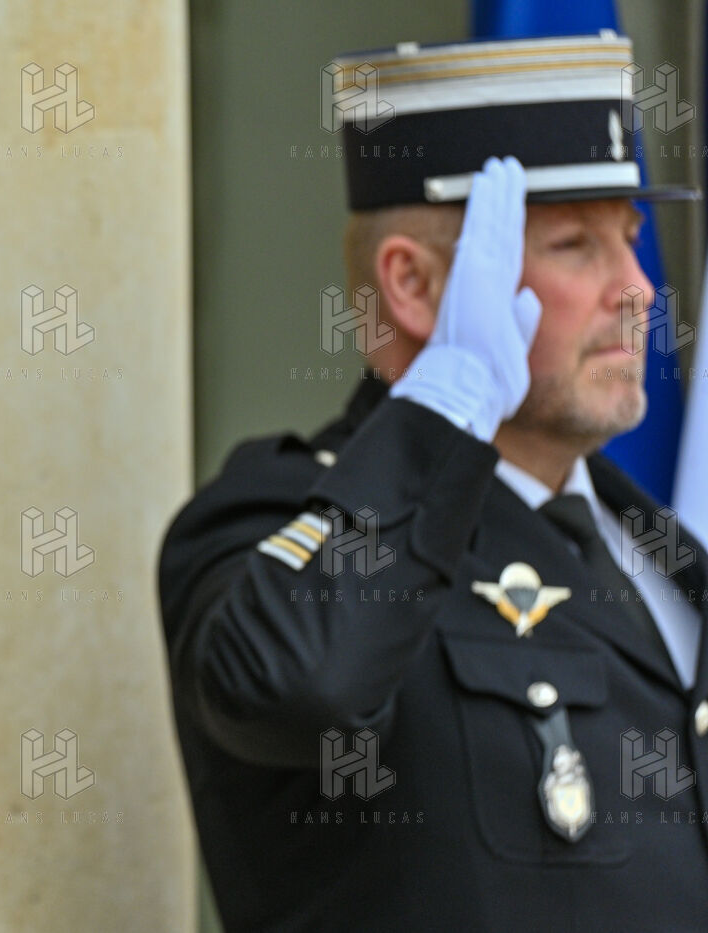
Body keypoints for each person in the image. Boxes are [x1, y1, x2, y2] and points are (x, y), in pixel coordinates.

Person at [160, 33, 708, 930]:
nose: (638, 289)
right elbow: (296, 687)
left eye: (632, 239)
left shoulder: (655, 544)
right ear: (413, 285)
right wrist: (446, 406)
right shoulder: (279, 516)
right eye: (575, 244)